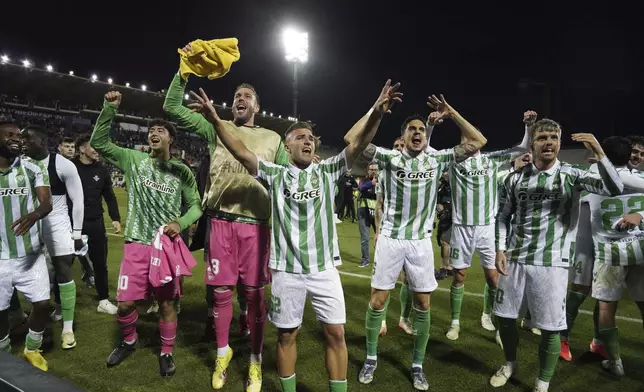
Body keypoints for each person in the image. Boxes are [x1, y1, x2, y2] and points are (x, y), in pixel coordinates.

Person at [193, 76, 401, 392]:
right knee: (287, 335)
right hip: (286, 272)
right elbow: (238, 150)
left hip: (324, 270)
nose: (307, 141)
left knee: (336, 334)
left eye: (311, 138)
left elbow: (358, 144)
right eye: (300, 137)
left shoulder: (328, 171)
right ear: (286, 145)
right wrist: (216, 122)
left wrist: (378, 111)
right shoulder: (274, 174)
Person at [163, 43, 289, 391]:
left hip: (256, 227)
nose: (240, 98)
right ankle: (223, 353)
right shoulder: (212, 128)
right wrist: (184, 70)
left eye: (246, 95)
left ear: (257, 106)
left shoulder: (272, 138)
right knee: (219, 294)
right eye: (236, 94)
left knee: (254, 296)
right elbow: (171, 106)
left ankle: (256, 362)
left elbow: (288, 180)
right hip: (219, 223)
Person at [358, 94, 488, 391]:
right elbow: (355, 142)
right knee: (378, 301)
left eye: (420, 129)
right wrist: (376, 112)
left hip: (420, 243)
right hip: (391, 238)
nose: (416, 133)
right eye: (411, 130)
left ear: (425, 136)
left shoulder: (437, 158)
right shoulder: (390, 158)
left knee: (423, 304)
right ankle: (371, 357)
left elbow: (478, 141)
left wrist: (452, 113)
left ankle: (417, 365)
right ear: (402, 137)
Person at [492, 120, 623, 392]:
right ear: (533, 143)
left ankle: (542, 383)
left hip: (552, 263)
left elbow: (614, 189)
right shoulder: (514, 178)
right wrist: (499, 248)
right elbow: (503, 216)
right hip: (515, 259)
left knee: (551, 328)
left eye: (553, 137)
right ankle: (509, 363)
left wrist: (600, 153)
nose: (548, 142)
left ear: (560, 143)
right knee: (504, 317)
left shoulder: (572, 175)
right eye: (542, 137)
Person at [93, 91, 201, 377]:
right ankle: (129, 340)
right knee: (126, 303)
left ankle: (166, 352)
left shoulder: (181, 171)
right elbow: (98, 143)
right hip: (136, 243)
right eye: (151, 130)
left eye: (160, 130)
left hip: (166, 247)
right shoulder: (133, 159)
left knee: (167, 303)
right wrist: (109, 109)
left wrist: (181, 221)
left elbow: (196, 206)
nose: (154, 133)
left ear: (170, 139)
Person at [443, 111, 532, 342]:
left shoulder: (491, 160)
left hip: (487, 227)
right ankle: (455, 323)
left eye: (475, 137)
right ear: (462, 141)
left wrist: (529, 126)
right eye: (466, 138)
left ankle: (488, 315)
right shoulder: (452, 160)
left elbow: (522, 148)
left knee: (494, 278)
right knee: (459, 276)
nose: (470, 141)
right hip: (461, 227)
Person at [583, 136, 644, 377]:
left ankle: (615, 362)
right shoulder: (640, 179)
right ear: (628, 155)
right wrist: (639, 213)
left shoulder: (592, 181)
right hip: (639, 250)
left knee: (607, 308)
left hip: (609, 255)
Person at [22, 125, 85, 349]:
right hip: (30, 220)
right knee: (24, 270)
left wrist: (76, 232)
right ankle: (27, 316)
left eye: (29, 138)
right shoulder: (20, 163)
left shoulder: (62, 164)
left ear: (43, 140)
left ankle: (67, 328)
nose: (24, 142)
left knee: (63, 270)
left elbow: (78, 200)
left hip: (57, 220)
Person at [0, 118, 53, 371]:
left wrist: (35, 215)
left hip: (31, 253)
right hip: (1, 256)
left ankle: (32, 348)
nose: (16, 139)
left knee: (43, 305)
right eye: (9, 134)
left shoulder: (31, 167)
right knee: (0, 313)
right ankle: (4, 351)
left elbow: (46, 203)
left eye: (18, 135)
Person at [73, 134, 121, 314]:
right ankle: (60, 305)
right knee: (64, 264)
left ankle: (103, 300)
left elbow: (109, 195)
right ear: (82, 149)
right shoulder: (70, 168)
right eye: (93, 147)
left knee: (100, 263)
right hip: (72, 223)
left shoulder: (101, 170)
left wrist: (115, 218)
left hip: (95, 222)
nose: (97, 150)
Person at [357, 162, 378, 267]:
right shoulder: (363, 180)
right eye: (372, 169)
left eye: (375, 169)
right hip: (364, 212)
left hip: (378, 213)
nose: (374, 171)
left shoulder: (382, 182)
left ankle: (380, 258)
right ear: (368, 170)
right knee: (365, 238)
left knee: (380, 237)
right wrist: (371, 184)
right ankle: (365, 259)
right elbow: (360, 189)